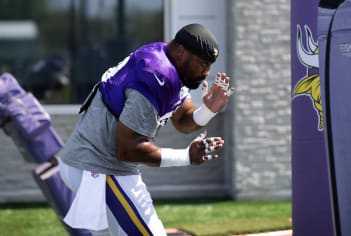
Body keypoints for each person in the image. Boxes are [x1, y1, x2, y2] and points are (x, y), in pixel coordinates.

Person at [58, 23, 234, 236]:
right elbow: (128, 149)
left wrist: (208, 111)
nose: (206, 72)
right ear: (181, 51)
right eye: (202, 63)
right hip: (99, 166)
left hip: (94, 164)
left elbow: (183, 120)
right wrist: (186, 156)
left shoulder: (170, 62)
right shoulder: (157, 74)